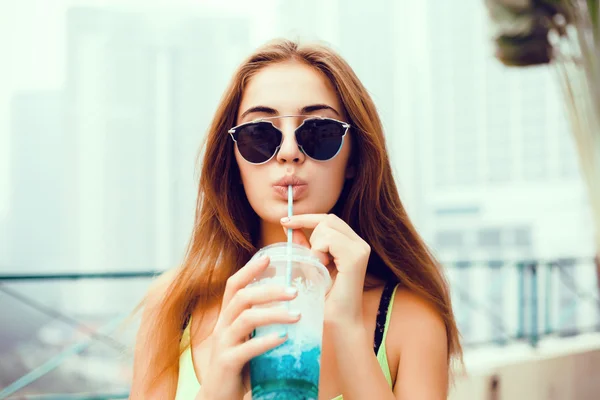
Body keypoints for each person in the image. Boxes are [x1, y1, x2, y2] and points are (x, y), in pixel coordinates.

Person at [130, 38, 462, 400]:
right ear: (233, 160)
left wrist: (347, 328)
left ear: (353, 159)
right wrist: (219, 385)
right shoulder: (173, 303)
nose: (289, 152)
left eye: (319, 132)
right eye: (259, 134)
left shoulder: (410, 319)